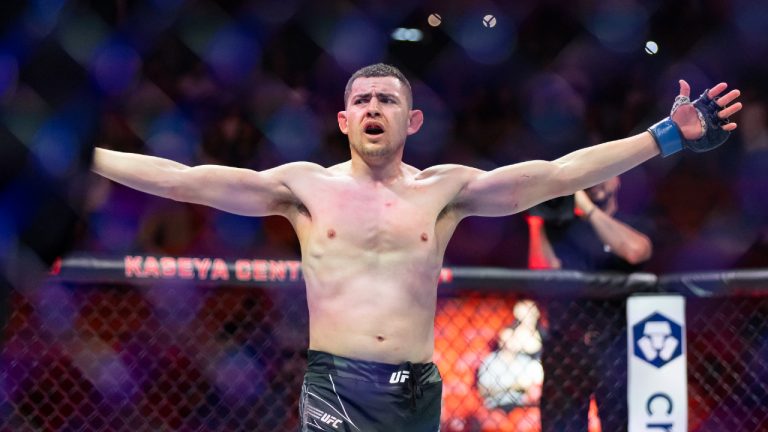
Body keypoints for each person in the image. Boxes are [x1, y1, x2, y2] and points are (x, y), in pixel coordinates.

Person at [91, 63, 742, 431]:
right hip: (335, 386)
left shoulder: (447, 191)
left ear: (412, 120)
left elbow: (560, 172)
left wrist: (664, 136)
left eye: (388, 99)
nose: (374, 106)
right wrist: (86, 157)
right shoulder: (303, 188)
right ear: (345, 120)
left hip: (416, 389)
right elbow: (185, 180)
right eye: (362, 99)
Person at [527, 176, 652, 432]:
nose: (595, 181)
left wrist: (588, 210)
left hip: (617, 345)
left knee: (622, 424)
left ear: (618, 180)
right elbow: (541, 270)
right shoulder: (561, 228)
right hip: (566, 347)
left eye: (603, 174)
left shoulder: (634, 222)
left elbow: (635, 251)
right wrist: (537, 217)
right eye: (589, 176)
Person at [477, 300, 543, 410]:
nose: (508, 344)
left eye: (511, 340)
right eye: (505, 340)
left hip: (521, 404)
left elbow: (533, 384)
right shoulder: (490, 361)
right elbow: (483, 389)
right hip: (497, 405)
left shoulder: (524, 361)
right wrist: (514, 385)